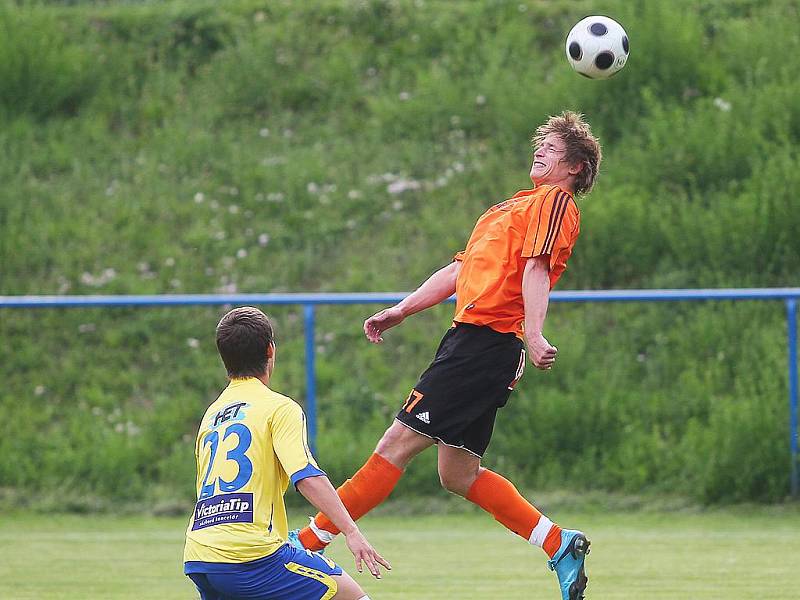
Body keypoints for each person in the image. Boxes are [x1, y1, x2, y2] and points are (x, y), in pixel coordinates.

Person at [290, 111, 601, 600]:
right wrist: (401, 310)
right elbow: (459, 271)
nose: (539, 152)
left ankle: (305, 544)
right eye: (539, 144)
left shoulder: (555, 201)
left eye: (553, 148)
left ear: (576, 167)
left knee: (394, 445)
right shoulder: (507, 210)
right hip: (473, 343)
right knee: (458, 474)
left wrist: (536, 333)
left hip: (484, 345)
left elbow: (537, 269)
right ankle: (559, 543)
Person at [184, 306, 390, 600]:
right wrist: (351, 531)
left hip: (199, 554)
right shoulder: (279, 408)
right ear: (271, 350)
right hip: (251, 556)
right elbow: (306, 475)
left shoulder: (212, 415)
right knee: (353, 597)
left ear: (224, 359)